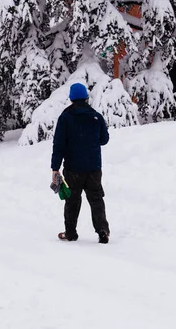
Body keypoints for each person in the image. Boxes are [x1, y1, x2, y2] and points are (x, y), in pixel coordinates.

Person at [51, 83, 111, 244]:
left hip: (73, 169)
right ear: (86, 97)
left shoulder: (65, 117)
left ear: (71, 98)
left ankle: (70, 233)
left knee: (72, 201)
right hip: (94, 168)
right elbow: (104, 140)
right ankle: (102, 231)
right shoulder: (96, 116)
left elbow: (59, 145)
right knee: (96, 199)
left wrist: (55, 168)